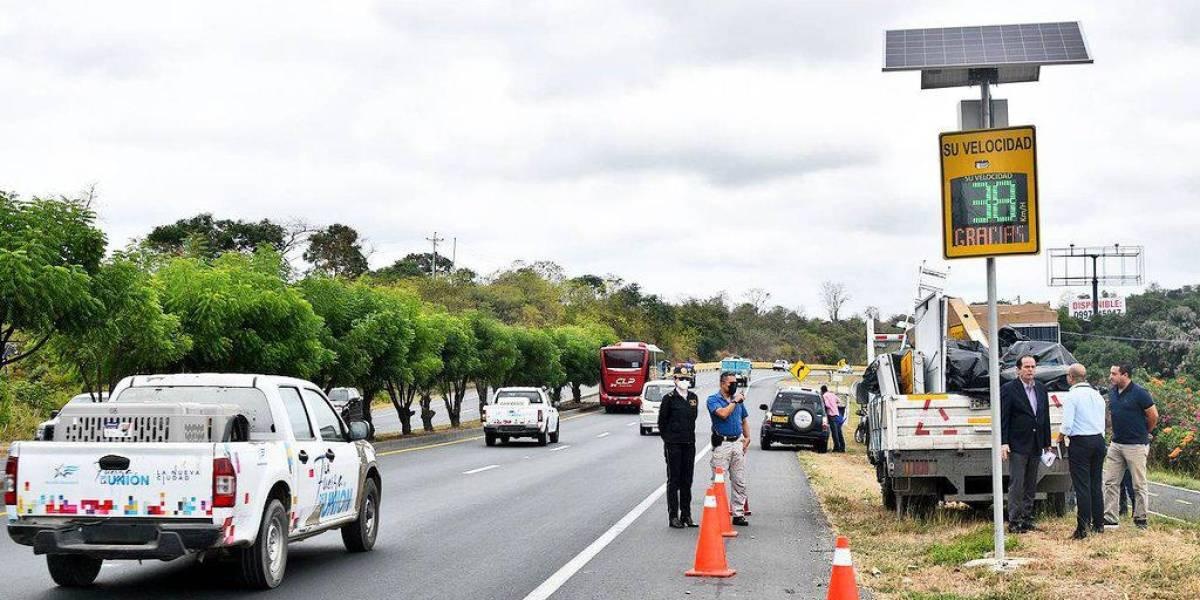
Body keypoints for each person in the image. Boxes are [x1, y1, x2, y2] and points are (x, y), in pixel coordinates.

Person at [1000, 354, 1052, 533]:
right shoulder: (1009, 389)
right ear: (1018, 370)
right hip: (1018, 443)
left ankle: (1028, 518)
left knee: (1031, 483)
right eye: (1027, 367)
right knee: (1017, 483)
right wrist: (1004, 442)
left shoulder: (1041, 388)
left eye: (1033, 367)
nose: (1030, 370)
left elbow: (1044, 415)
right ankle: (1014, 521)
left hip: (1036, 443)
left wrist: (1047, 442)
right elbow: (1004, 417)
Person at [1103, 363, 1158, 530]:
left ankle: (1141, 519)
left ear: (1125, 375)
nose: (1110, 377)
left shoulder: (1140, 393)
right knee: (1110, 481)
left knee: (1138, 483)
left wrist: (1145, 431)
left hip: (1136, 445)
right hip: (1117, 443)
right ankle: (1110, 518)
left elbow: (1153, 415)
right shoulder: (1112, 393)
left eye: (1114, 374)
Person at [1060, 363, 1106, 539]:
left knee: (1082, 486)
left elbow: (1068, 425)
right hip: (1098, 440)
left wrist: (1059, 438)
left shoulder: (1072, 396)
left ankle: (1083, 528)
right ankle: (1099, 524)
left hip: (1081, 442)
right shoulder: (1097, 395)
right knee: (1096, 483)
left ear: (1070, 377)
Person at [658, 368, 700, 528]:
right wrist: (668, 440)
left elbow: (693, 418)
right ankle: (673, 516)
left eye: (687, 378)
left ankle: (686, 515)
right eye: (681, 378)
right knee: (674, 480)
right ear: (675, 379)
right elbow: (662, 422)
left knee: (687, 480)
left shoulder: (693, 398)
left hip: (689, 443)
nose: (684, 381)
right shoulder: (669, 398)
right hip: (673, 444)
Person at [708, 371, 750, 526]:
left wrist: (747, 438)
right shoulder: (713, 400)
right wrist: (735, 402)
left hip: (737, 442)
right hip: (722, 444)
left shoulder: (737, 401)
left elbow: (744, 419)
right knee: (719, 481)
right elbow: (723, 414)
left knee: (739, 480)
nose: (734, 386)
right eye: (731, 383)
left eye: (735, 383)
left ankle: (738, 513)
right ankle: (717, 512)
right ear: (722, 383)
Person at [822, 385, 845, 453]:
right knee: (839, 432)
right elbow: (839, 401)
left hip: (831, 415)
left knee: (834, 433)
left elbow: (827, 405)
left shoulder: (825, 396)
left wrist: (829, 407)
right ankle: (842, 447)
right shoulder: (832, 394)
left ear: (822, 391)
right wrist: (835, 405)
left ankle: (837, 448)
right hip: (837, 414)